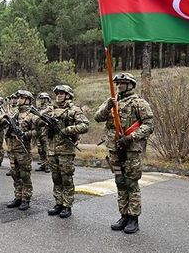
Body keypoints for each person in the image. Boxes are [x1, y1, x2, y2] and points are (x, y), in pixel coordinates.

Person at [94, 73, 154, 234]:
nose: (119, 85)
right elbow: (97, 117)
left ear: (131, 85)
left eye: (123, 83)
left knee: (131, 183)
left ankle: (134, 218)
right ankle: (124, 215)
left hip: (131, 150)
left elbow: (149, 125)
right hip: (114, 150)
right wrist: (108, 106)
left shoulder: (139, 103)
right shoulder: (112, 101)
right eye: (118, 83)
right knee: (120, 182)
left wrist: (130, 138)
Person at [40, 85, 89, 218]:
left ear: (68, 95)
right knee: (56, 177)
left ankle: (67, 205)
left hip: (66, 150)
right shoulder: (50, 109)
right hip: (51, 149)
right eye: (58, 93)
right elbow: (38, 119)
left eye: (62, 93)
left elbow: (85, 125)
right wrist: (43, 123)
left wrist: (68, 130)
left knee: (66, 178)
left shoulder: (73, 110)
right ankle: (58, 203)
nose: (59, 95)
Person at [4, 90, 39, 211]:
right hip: (12, 149)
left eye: (22, 98)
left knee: (25, 175)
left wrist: (24, 135)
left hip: (23, 150)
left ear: (28, 100)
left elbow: (38, 131)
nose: (19, 100)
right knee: (15, 174)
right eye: (18, 97)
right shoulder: (15, 113)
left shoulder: (32, 115)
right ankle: (17, 196)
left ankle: (26, 198)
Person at [34, 92, 52, 173]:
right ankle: (43, 164)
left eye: (43, 99)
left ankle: (48, 165)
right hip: (39, 132)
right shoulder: (37, 109)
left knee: (46, 148)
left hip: (46, 132)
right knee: (40, 149)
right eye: (41, 99)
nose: (42, 100)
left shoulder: (50, 108)